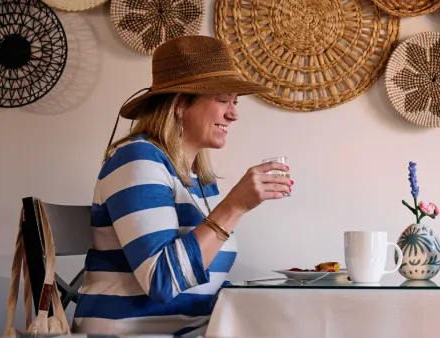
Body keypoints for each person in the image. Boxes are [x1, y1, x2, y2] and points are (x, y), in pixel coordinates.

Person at [72, 35, 293, 335]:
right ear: (179, 105)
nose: (234, 113)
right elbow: (162, 281)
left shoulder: (198, 179)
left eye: (235, 102)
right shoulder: (138, 160)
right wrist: (234, 207)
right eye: (222, 100)